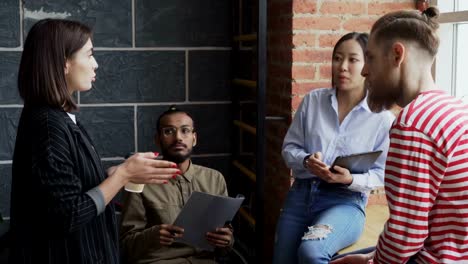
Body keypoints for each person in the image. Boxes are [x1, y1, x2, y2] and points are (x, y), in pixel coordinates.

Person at [8, 19, 180, 264]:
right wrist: (121, 175)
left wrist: (121, 172)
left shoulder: (58, 117)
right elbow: (68, 215)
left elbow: (69, 184)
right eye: (89, 55)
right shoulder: (48, 126)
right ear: (63, 63)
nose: (96, 64)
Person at [331, 7, 468, 264]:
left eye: (369, 58)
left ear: (397, 55)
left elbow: (406, 237)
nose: (364, 71)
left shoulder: (414, 125)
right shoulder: (455, 107)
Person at [272, 32, 395, 264]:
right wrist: (307, 160)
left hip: (345, 202)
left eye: (352, 60)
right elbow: (290, 148)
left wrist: (350, 180)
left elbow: (383, 174)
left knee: (311, 253)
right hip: (300, 195)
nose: (343, 67)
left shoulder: (382, 118)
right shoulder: (313, 101)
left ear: (368, 65)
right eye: (337, 58)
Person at [120, 105, 234, 264]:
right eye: (169, 131)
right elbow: (126, 247)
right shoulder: (141, 180)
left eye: (185, 130)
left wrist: (227, 240)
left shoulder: (215, 179)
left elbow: (225, 240)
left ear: (194, 138)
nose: (178, 137)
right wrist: (153, 235)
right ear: (158, 140)